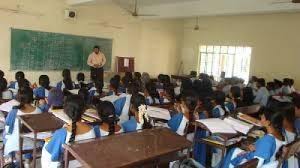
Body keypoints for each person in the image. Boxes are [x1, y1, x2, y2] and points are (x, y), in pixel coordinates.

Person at [41, 95, 95, 168]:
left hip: (67, 165)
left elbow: (53, 157)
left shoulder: (62, 133)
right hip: (83, 164)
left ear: (65, 111)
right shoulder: (92, 129)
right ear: (84, 110)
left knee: (45, 149)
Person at [3, 87, 42, 162]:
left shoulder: (14, 112)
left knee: (6, 134)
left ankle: (12, 158)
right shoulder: (38, 110)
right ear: (32, 97)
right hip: (34, 143)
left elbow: (8, 129)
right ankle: (27, 158)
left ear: (18, 98)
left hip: (17, 144)